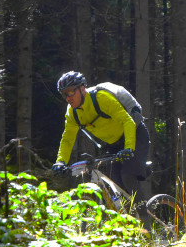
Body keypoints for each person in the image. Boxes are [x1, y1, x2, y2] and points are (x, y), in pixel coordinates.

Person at [52, 71, 152, 230]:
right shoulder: (72, 113)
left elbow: (127, 121)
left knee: (128, 176)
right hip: (113, 145)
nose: (68, 97)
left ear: (82, 89)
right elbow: (68, 138)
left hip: (135, 135)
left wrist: (128, 148)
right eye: (65, 94)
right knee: (114, 182)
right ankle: (131, 224)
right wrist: (60, 161)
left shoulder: (101, 99)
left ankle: (148, 225)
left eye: (71, 92)